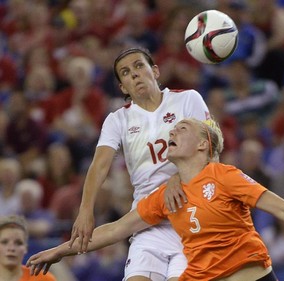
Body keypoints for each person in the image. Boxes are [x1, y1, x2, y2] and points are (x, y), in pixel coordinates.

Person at [27, 118, 284, 281]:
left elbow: (278, 206)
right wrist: (62, 249)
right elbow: (115, 230)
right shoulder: (165, 196)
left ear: (204, 145)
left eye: (182, 129)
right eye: (172, 131)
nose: (172, 132)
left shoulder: (224, 175)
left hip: (248, 275)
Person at [67, 47, 211, 281]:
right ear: (123, 87)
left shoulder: (187, 99)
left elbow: (212, 149)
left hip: (190, 214)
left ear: (155, 71)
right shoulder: (118, 120)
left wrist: (180, 177)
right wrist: (85, 210)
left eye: (138, 66)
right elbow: (99, 166)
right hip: (146, 220)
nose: (133, 74)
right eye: (125, 72)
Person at [0, 214, 56, 281]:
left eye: (18, 243)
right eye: (4, 242)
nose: (11, 248)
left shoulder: (45, 279)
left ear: (26, 248)